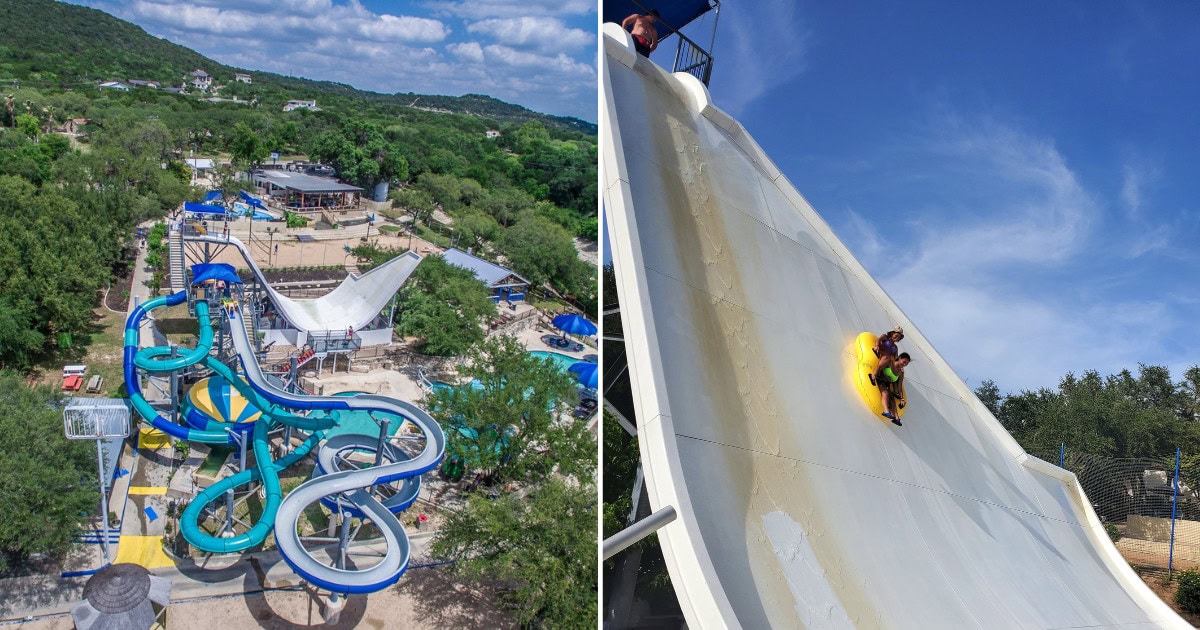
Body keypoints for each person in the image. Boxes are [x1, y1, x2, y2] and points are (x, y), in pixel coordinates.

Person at [876, 352, 911, 425]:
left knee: (892, 399)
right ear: (900, 358)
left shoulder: (901, 372)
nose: (904, 364)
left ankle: (896, 418)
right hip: (880, 379)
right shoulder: (889, 362)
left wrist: (902, 399)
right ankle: (886, 411)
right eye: (904, 362)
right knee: (885, 393)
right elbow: (879, 367)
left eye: (906, 364)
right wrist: (875, 375)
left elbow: (899, 386)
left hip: (887, 384)